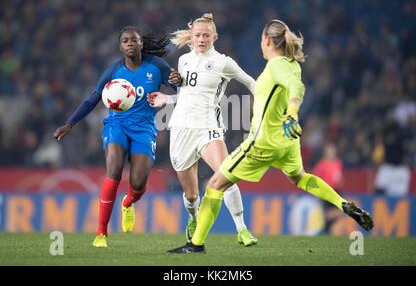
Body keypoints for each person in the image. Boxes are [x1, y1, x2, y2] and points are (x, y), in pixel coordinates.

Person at [168, 19, 374, 253]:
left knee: (215, 184)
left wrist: (293, 112)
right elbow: (295, 85)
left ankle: (196, 244)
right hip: (287, 141)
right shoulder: (293, 64)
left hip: (261, 142)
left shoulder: (275, 65)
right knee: (301, 178)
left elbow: (296, 89)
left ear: (266, 40)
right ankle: (342, 203)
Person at [53, 26, 180, 247]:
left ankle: (128, 202)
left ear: (141, 44)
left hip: (144, 128)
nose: (130, 43)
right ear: (120, 47)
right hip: (116, 125)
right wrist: (70, 123)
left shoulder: (157, 66)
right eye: (125, 41)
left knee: (138, 183)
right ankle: (101, 233)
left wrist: (177, 80)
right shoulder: (113, 71)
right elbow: (93, 98)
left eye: (134, 40)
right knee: (113, 171)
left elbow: (178, 86)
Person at [147, 14, 258, 246]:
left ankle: (242, 229)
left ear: (214, 37)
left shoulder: (223, 62)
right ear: (192, 37)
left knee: (226, 174)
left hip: (209, 127)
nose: (201, 39)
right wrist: (166, 99)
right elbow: (188, 95)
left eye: (206, 35)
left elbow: (250, 82)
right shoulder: (184, 61)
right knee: (191, 195)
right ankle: (194, 218)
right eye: (197, 35)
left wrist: (265, 102)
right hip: (181, 128)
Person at [312, 142, 344, 234]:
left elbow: (339, 176)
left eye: (333, 150)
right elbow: (315, 177)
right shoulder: (322, 164)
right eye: (329, 150)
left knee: (339, 212)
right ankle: (324, 229)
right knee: (331, 212)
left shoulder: (338, 162)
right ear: (326, 152)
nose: (332, 152)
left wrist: (341, 182)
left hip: (337, 191)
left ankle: (325, 229)